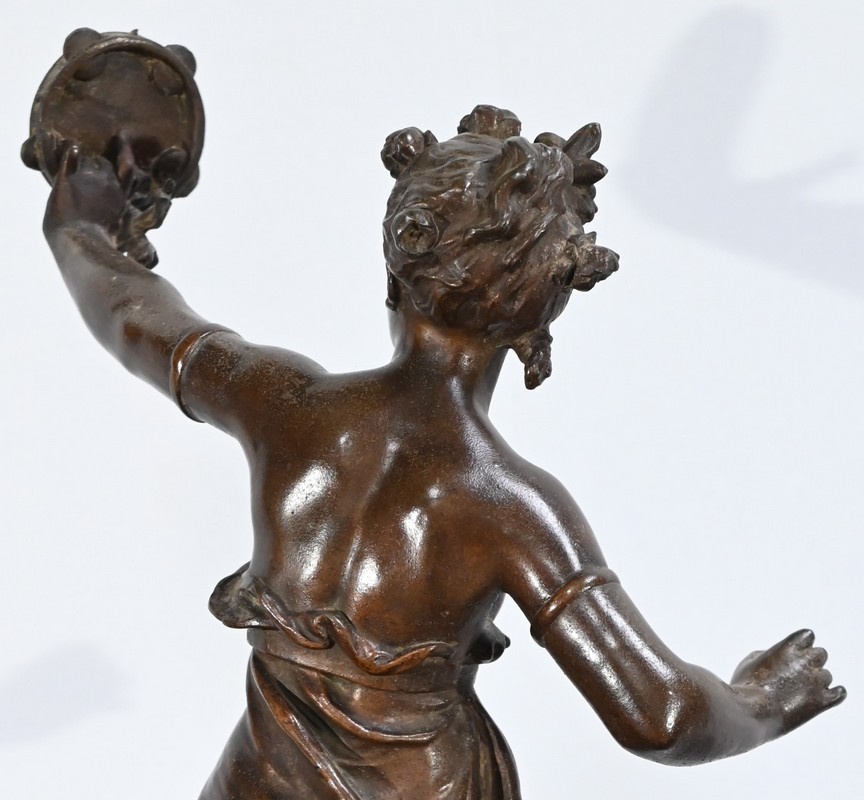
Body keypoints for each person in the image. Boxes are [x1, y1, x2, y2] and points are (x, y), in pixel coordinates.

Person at [42, 105, 844, 800]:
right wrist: (764, 701)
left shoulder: (283, 407)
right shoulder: (509, 506)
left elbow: (132, 313)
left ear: (398, 264)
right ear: (541, 312)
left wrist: (79, 224)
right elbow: (660, 716)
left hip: (261, 779)